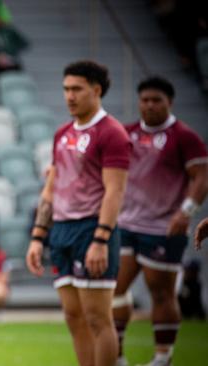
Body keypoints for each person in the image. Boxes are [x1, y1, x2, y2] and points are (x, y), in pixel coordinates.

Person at [26, 60, 131, 366]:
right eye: (65, 89)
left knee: (99, 318)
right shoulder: (62, 133)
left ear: (96, 90)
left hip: (92, 230)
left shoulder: (112, 133)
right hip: (60, 230)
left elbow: (116, 191)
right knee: (74, 317)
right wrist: (37, 237)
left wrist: (101, 239)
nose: (69, 96)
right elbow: (51, 187)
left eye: (76, 89)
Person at [112, 76, 208, 366]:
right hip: (126, 224)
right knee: (115, 288)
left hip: (164, 228)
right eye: (145, 100)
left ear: (170, 103)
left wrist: (186, 212)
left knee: (162, 294)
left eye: (157, 100)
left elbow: (202, 177)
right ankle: (116, 355)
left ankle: (162, 357)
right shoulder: (126, 133)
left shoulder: (184, 136)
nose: (150, 106)